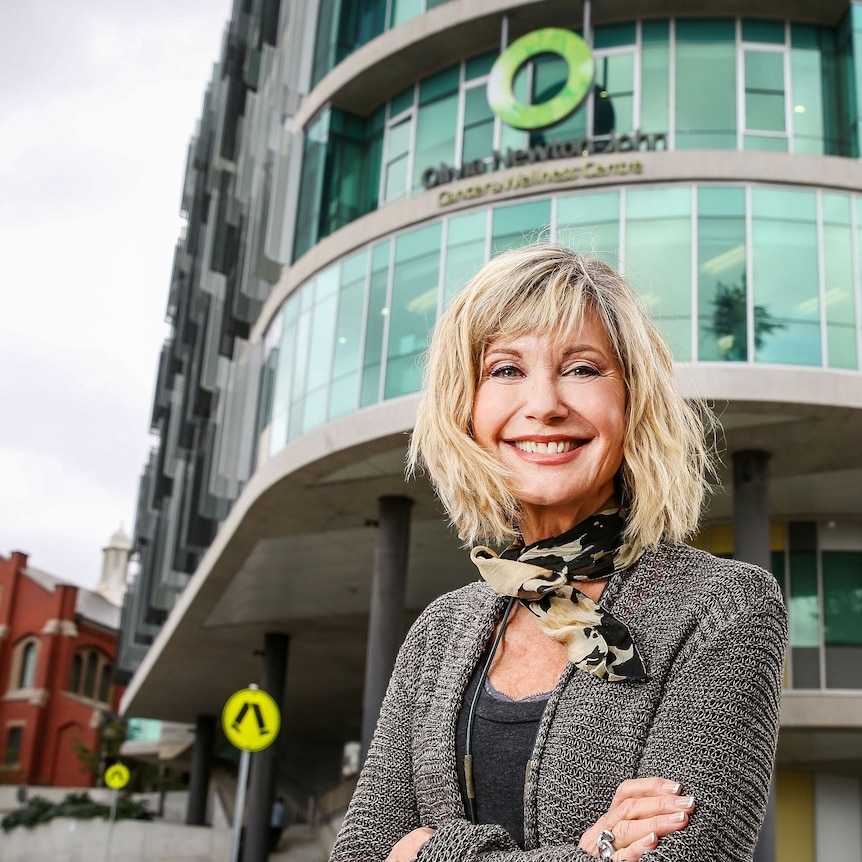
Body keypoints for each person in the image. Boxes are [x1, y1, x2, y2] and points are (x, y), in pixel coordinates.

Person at [329, 244, 787, 862]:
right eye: (506, 370)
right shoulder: (438, 631)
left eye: (582, 368)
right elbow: (357, 854)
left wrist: (427, 854)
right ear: (464, 408)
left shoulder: (726, 607)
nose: (544, 404)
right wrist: (598, 849)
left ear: (632, 401)